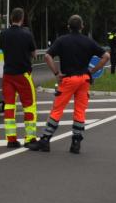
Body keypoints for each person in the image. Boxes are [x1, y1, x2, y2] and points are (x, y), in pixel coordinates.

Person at [29, 15, 109, 154]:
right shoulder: (88, 41)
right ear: (82, 26)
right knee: (80, 110)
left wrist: (56, 73)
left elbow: (47, 56)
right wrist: (92, 71)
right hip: (84, 79)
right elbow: (106, 56)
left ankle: (45, 140)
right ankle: (76, 142)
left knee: (57, 109)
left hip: (68, 79)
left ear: (68, 27)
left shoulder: (62, 40)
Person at [0, 8, 39, 148]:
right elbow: (34, 54)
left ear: (11, 19)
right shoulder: (27, 34)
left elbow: (2, 50)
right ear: (22, 19)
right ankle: (30, 138)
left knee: (9, 106)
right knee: (29, 106)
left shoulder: (3, 34)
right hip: (23, 75)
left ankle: (11, 139)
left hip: (8, 74)